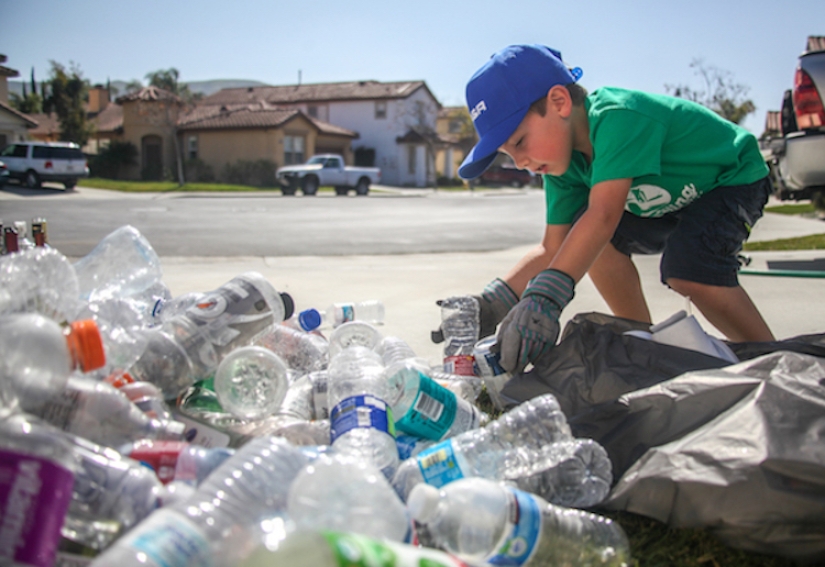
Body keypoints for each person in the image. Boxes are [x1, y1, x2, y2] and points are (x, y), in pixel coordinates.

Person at [454, 44, 775, 374]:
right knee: (586, 237)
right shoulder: (562, 167)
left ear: (559, 102)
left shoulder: (618, 116)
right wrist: (493, 303)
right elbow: (553, 247)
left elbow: (604, 215)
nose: (520, 163)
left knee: (690, 270)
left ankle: (775, 360)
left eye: (520, 142)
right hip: (669, 205)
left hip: (730, 180)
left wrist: (546, 299)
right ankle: (642, 343)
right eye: (508, 154)